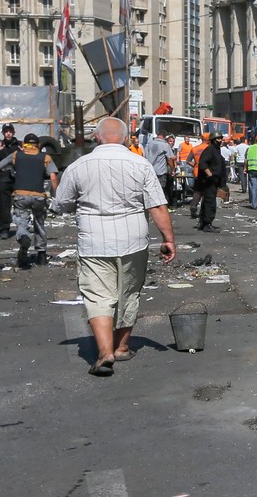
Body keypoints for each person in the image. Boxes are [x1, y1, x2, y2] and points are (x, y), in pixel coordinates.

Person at [52, 117, 176, 377]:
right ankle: (121, 347)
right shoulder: (140, 164)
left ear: (97, 137)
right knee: (129, 292)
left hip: (94, 241)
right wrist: (168, 239)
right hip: (133, 240)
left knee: (99, 295)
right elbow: (157, 206)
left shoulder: (79, 166)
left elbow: (61, 203)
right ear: (127, 138)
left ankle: (105, 352)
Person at [0, 133, 59, 268]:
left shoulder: (16, 155)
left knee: (22, 222)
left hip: (20, 195)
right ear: (38, 146)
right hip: (39, 196)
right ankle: (41, 256)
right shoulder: (45, 157)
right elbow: (53, 178)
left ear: (24, 145)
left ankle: (24, 238)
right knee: (39, 224)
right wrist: (55, 196)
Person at [195, 131, 227, 233]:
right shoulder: (210, 149)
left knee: (207, 202)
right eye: (218, 138)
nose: (220, 140)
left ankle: (203, 223)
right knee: (210, 203)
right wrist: (210, 175)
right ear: (213, 140)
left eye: (221, 138)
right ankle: (207, 224)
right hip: (209, 182)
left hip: (214, 181)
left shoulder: (217, 150)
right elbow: (203, 164)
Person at [144, 131, 176, 205]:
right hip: (160, 171)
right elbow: (170, 158)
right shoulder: (164, 145)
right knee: (160, 191)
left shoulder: (150, 143)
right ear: (164, 136)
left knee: (151, 190)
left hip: (149, 170)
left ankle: (150, 205)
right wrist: (173, 169)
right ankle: (159, 206)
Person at [187, 133, 211, 218]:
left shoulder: (195, 148)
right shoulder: (210, 149)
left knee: (197, 191)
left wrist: (196, 165)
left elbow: (188, 160)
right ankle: (204, 211)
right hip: (207, 172)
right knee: (207, 192)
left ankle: (193, 205)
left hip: (197, 172)